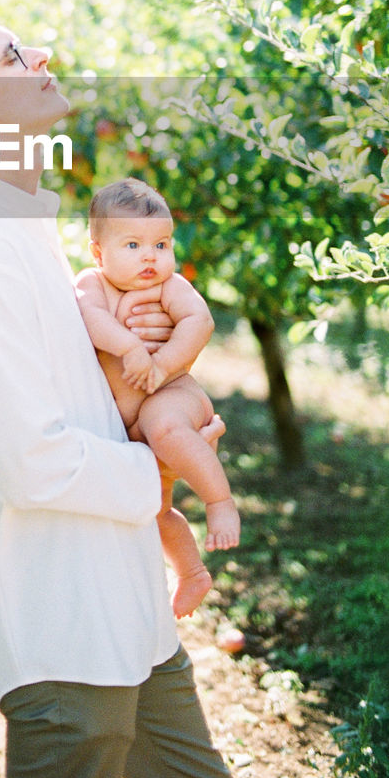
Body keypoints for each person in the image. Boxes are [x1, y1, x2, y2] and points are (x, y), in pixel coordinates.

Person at [0, 0, 237, 778]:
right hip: (65, 627)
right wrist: (161, 472)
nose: (38, 54)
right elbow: (31, 460)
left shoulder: (28, 230)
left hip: (125, 599)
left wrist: (154, 416)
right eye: (10, 57)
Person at [75, 177, 240, 620]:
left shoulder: (169, 287)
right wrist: (129, 347)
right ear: (98, 252)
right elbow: (87, 317)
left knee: (166, 427)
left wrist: (163, 365)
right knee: (156, 509)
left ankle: (219, 502)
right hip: (135, 426)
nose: (150, 256)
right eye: (132, 245)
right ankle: (190, 573)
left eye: (161, 244)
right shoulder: (93, 285)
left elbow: (199, 322)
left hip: (173, 394)